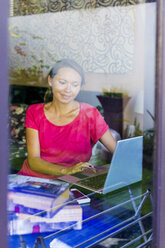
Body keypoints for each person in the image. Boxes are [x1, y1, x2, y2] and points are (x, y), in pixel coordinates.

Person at [18, 59, 116, 179]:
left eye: (75, 85)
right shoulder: (34, 112)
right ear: (50, 80)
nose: (68, 89)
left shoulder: (91, 114)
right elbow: (34, 160)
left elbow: (118, 152)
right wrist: (67, 170)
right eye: (62, 82)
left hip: (71, 182)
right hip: (32, 179)